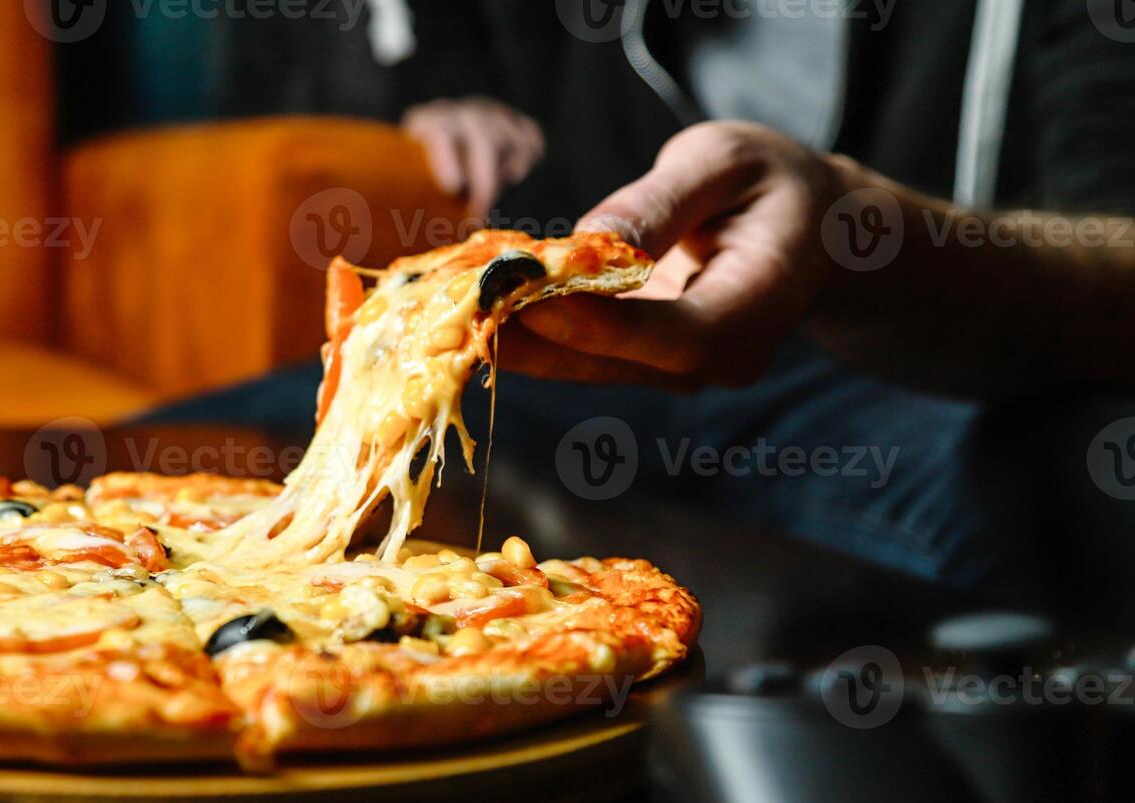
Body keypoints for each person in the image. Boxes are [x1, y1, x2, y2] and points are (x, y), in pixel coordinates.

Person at [152, 1, 1135, 619]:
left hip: (913, 385)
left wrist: (863, 238)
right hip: (547, 355)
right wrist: (445, 71)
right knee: (160, 476)